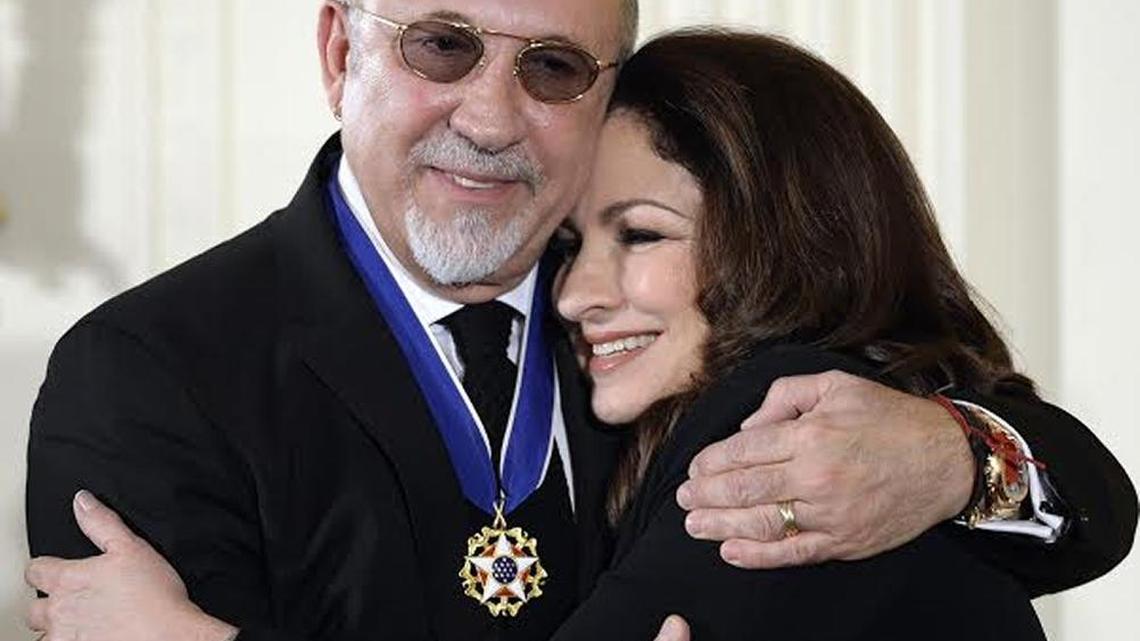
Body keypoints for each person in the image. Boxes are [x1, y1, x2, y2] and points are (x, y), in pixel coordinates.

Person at [23, 2, 1136, 641]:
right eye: (443, 43)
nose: (490, 117)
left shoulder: (737, 384)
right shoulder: (149, 373)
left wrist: (958, 454)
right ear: (339, 51)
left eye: (553, 67)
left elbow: (1091, 500)